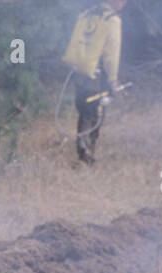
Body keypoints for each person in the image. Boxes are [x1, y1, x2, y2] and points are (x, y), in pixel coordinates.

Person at [62, 0, 126, 164]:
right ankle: (86, 153)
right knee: (96, 113)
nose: (124, 3)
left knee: (84, 110)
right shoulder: (112, 20)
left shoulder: (86, 14)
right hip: (97, 75)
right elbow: (111, 55)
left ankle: (83, 148)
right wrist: (113, 80)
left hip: (79, 71)